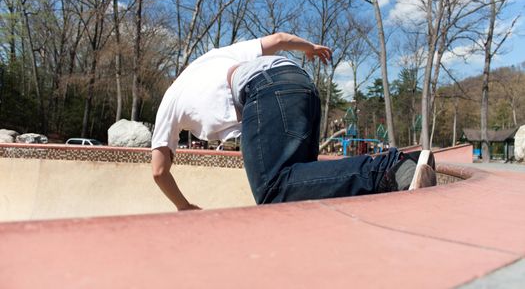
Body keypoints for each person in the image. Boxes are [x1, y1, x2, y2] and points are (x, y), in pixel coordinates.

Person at [151, 32, 436, 211]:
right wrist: (309, 47)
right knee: (302, 182)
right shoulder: (212, 58)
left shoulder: (169, 101)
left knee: (273, 190)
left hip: (264, 89)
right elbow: (278, 40)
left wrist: (184, 207)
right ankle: (412, 163)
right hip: (298, 80)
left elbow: (159, 171)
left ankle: (391, 168)